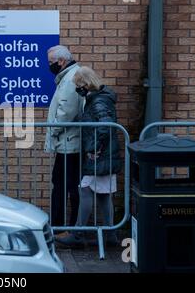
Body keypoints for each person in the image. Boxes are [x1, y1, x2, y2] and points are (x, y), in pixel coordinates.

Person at [55, 66, 121, 247]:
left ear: (86, 83)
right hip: (104, 155)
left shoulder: (98, 101)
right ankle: (110, 235)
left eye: (79, 85)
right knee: (103, 196)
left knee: (85, 190)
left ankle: (78, 234)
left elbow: (105, 126)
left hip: (99, 156)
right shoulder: (97, 99)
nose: (78, 88)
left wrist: (93, 149)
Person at [44, 45, 85, 229]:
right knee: (65, 185)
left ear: (61, 61)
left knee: (64, 186)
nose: (49, 65)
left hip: (69, 143)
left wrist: (52, 131)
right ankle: (65, 226)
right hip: (68, 142)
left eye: (51, 62)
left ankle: (63, 227)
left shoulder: (69, 80)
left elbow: (66, 112)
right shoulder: (68, 77)